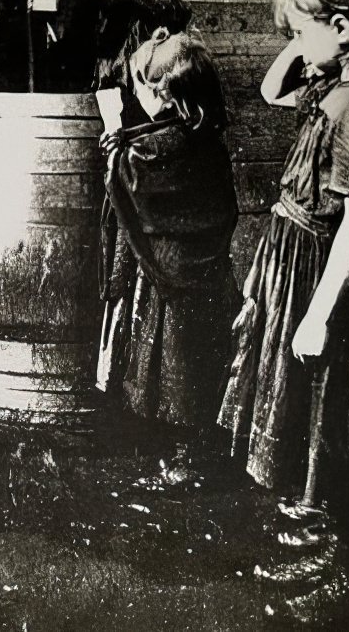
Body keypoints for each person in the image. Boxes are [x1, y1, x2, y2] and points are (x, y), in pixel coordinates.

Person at [218, 0, 349, 533]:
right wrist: (307, 34)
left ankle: (334, 531)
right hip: (295, 256)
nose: (293, 44)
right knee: (300, 391)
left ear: (343, 27)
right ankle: (313, 508)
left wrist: (320, 313)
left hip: (325, 269)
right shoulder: (332, 87)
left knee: (329, 394)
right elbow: (272, 91)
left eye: (301, 31)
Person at [98, 27, 239, 427]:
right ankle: (187, 445)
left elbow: (131, 183)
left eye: (140, 88)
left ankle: (178, 450)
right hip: (207, 269)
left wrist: (115, 157)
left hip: (169, 276)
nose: (135, 96)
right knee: (199, 359)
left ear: (164, 93)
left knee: (172, 364)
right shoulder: (202, 133)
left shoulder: (156, 148)